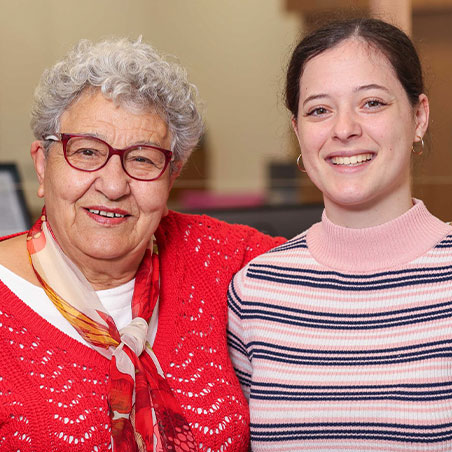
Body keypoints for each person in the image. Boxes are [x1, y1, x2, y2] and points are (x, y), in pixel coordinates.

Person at [0, 37, 284, 452]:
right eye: (86, 151)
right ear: (43, 165)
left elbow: (343, 265)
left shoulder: (219, 258)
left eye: (143, 159)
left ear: (172, 176)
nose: (114, 185)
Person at [228, 18, 452, 451]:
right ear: (298, 132)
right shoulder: (256, 292)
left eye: (371, 103)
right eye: (319, 109)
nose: (344, 129)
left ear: (419, 116)